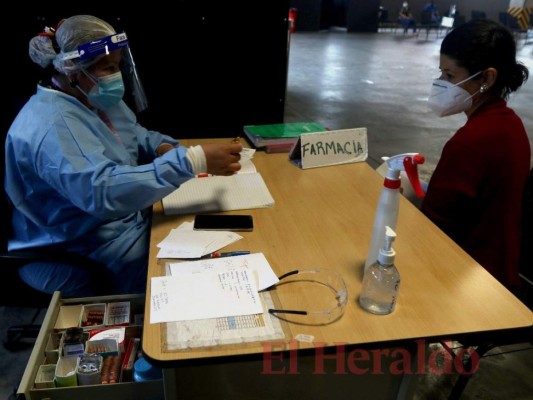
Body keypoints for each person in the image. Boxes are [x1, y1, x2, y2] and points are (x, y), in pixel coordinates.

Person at [5, 15, 243, 296]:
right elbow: (101, 191)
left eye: (117, 66)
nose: (116, 76)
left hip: (122, 224)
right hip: (79, 248)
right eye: (108, 68)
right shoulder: (52, 125)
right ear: (73, 70)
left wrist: (163, 148)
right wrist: (191, 162)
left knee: (223, 244)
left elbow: (133, 134)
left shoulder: (90, 96)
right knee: (196, 282)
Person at [423, 19, 531, 293]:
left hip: (467, 277)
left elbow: (433, 227)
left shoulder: (470, 142)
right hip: (500, 269)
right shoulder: (510, 124)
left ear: (487, 78)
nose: (440, 84)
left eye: (449, 76)